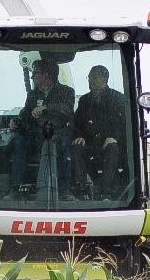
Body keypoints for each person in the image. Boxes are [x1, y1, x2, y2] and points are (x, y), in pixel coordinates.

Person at [8, 58, 75, 199]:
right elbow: (26, 113)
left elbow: (67, 110)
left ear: (46, 75)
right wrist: (17, 121)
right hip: (36, 136)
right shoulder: (33, 94)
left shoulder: (66, 91)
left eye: (35, 73)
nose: (32, 76)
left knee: (65, 144)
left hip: (57, 134)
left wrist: (45, 108)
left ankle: (65, 190)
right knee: (19, 142)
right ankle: (15, 188)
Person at [71, 65, 127, 199]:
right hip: (90, 143)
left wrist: (115, 138)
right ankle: (82, 188)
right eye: (89, 77)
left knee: (113, 148)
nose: (90, 80)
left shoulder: (118, 98)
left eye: (94, 77)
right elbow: (76, 122)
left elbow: (125, 124)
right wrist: (79, 136)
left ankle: (105, 191)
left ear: (105, 79)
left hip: (108, 143)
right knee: (77, 146)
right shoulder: (84, 100)